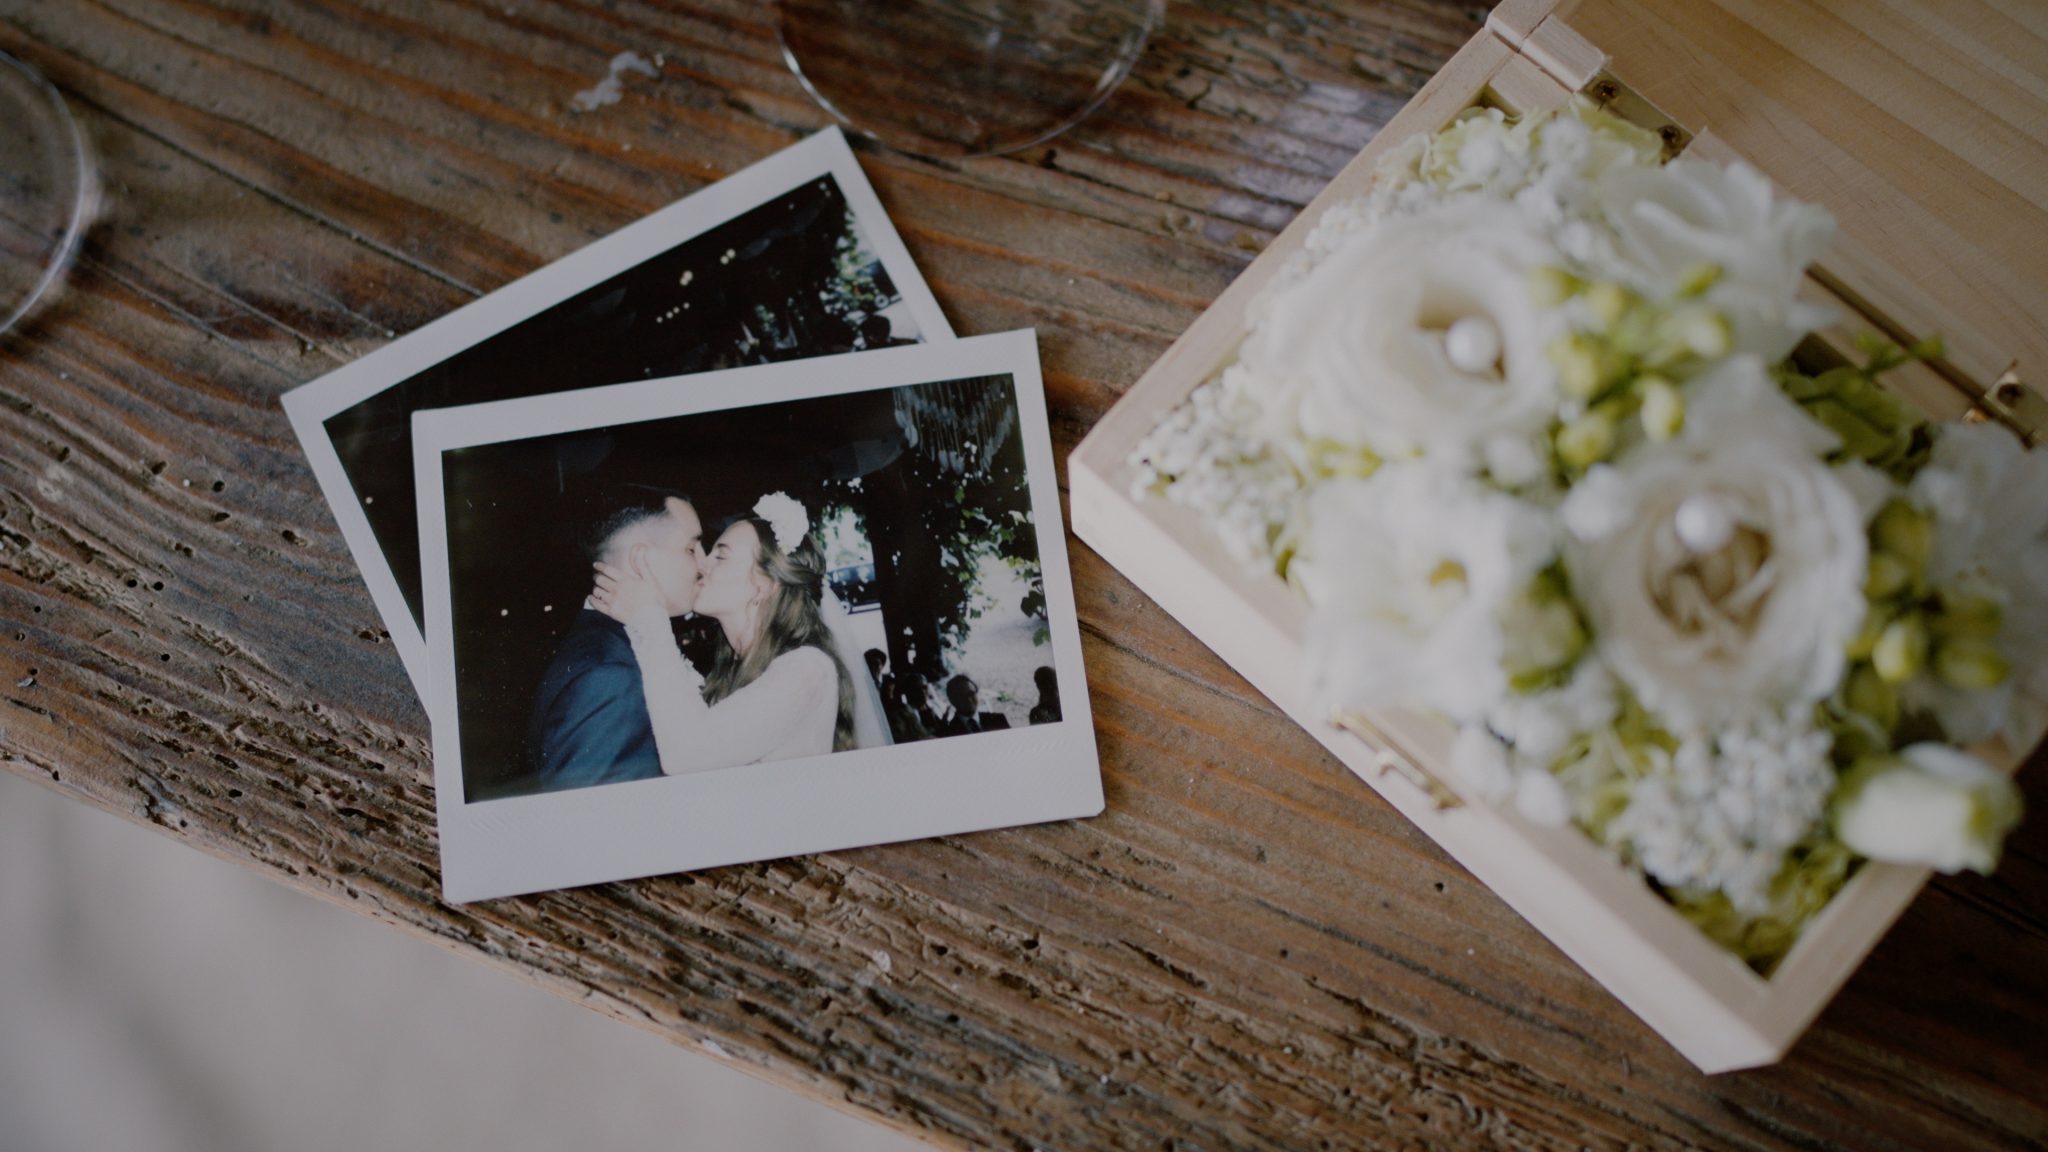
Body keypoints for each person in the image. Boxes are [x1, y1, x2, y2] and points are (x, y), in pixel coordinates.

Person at [591, 500, 858, 772]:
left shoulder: (808, 668)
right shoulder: (732, 668)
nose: (701, 563)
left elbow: (688, 755)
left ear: (764, 585)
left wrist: (649, 616)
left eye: (720, 556)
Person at [526, 493, 703, 793]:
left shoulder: (610, 646)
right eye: (691, 548)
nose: (704, 562)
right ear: (642, 560)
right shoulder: (610, 676)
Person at [937, 674, 1010, 736]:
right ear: (952, 700)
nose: (969, 699)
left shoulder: (998, 720)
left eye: (971, 694)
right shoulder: (949, 733)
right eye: (962, 696)